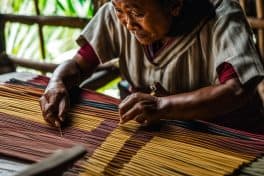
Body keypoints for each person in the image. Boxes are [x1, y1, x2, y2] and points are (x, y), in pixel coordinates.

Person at [39, 0, 264, 132]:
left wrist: (162, 105)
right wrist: (57, 82)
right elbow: (79, 65)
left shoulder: (221, 17)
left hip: (228, 136)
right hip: (166, 134)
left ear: (174, 4)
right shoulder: (120, 8)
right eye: (119, 11)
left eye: (137, 14)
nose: (127, 23)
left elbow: (236, 90)